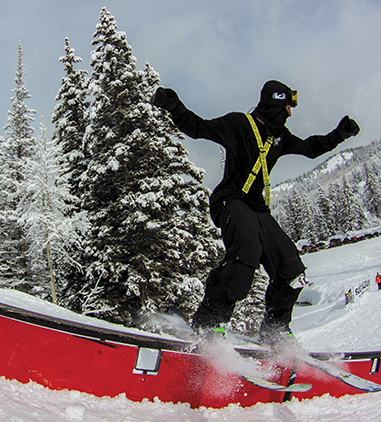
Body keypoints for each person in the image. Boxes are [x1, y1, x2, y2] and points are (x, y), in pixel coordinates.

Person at [152, 80, 360, 345]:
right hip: (230, 200)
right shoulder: (239, 124)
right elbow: (199, 127)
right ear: (276, 104)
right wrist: (173, 105)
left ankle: (275, 331)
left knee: (291, 266)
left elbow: (309, 148)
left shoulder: (279, 137)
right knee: (246, 250)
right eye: (288, 107)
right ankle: (209, 323)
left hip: (257, 208)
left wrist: (339, 135)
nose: (290, 113)